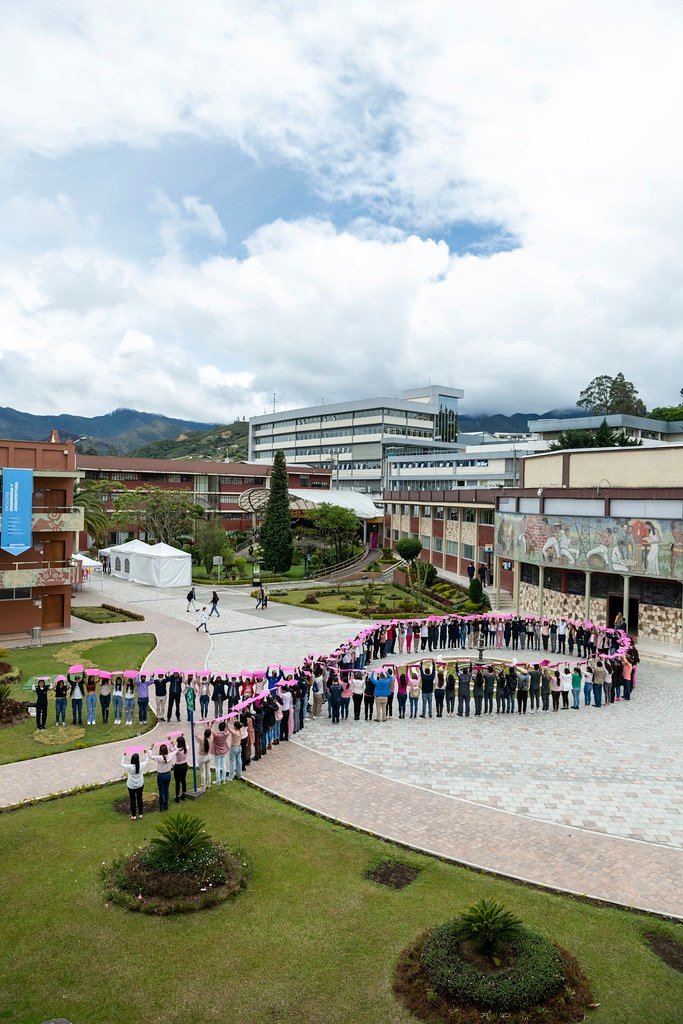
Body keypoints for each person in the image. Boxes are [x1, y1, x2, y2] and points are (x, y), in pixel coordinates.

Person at [148, 742, 175, 810]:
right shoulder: (170, 755)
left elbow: (150, 756)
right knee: (166, 790)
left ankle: (161, 807)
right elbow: (176, 750)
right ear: (166, 750)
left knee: (161, 791)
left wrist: (151, 747)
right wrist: (172, 744)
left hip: (161, 776)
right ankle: (166, 805)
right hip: (168, 774)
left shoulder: (159, 758)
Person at [121, 750, 148, 819]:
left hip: (131, 785)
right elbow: (146, 760)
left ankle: (133, 815)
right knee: (139, 798)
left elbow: (122, 764)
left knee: (132, 799)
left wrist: (124, 755)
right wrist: (145, 753)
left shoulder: (130, 767)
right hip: (140, 784)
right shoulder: (141, 765)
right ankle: (140, 814)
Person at [173, 735, 189, 801]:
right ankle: (183, 794)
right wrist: (182, 737)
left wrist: (171, 742)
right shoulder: (187, 747)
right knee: (183, 780)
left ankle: (177, 796)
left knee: (177, 781)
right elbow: (185, 744)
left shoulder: (177, 750)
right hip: (184, 765)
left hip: (178, 766)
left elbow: (171, 749)